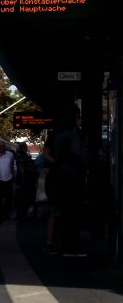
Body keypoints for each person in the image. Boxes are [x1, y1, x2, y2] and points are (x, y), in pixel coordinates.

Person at [50, 107, 88, 256]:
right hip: (72, 179)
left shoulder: (58, 135)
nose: (80, 120)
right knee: (74, 214)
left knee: (65, 214)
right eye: (78, 117)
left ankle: (66, 244)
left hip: (61, 178)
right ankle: (73, 246)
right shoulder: (72, 136)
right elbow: (78, 155)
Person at [0, 140, 16, 221]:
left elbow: (12, 165)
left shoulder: (10, 155)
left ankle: (6, 214)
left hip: (8, 179)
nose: (1, 148)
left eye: (3, 146)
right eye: (0, 146)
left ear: (5, 147)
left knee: (8, 198)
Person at [13, 141, 36, 222]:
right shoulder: (21, 155)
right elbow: (21, 167)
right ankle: (22, 215)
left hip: (25, 179)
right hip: (24, 180)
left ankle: (23, 214)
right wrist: (23, 179)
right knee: (23, 198)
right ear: (24, 147)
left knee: (24, 198)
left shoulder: (22, 154)